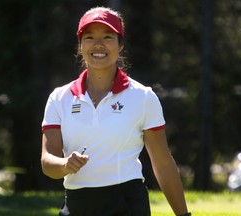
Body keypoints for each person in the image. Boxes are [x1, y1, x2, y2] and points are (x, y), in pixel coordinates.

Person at [41, 6, 191, 216]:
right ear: (80, 45)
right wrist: (66, 164)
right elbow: (48, 162)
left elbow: (163, 163)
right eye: (90, 37)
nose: (98, 44)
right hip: (76, 206)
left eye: (108, 36)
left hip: (128, 204)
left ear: (120, 45)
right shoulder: (59, 98)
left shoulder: (143, 96)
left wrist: (183, 215)